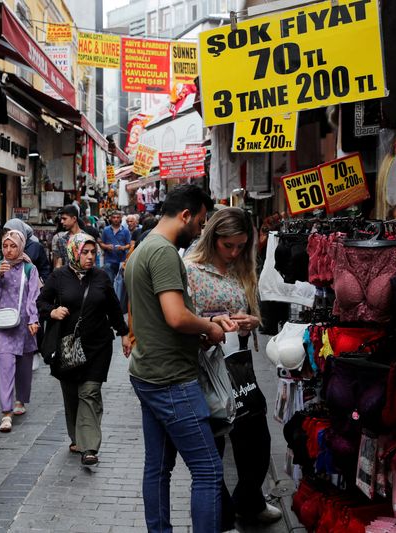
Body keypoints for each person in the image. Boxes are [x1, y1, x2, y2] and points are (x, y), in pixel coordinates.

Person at [125, 184, 235, 532]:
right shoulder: (163, 253)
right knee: (208, 469)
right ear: (186, 215)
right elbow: (175, 316)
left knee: (157, 468)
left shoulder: (143, 248)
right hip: (171, 380)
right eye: (201, 222)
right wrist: (211, 328)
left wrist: (201, 329)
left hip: (149, 372)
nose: (202, 230)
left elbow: (156, 319)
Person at [185, 208, 282, 527]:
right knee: (213, 445)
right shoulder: (191, 269)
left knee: (256, 439)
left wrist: (252, 321)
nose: (235, 251)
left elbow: (251, 311)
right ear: (213, 239)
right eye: (229, 245)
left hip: (239, 364)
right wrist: (211, 324)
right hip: (206, 368)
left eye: (241, 245)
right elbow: (182, 319)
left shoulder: (242, 267)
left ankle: (250, 501)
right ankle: (221, 516)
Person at [37, 233, 130, 466]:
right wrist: (52, 312)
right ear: (74, 252)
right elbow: (41, 302)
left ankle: (89, 447)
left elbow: (114, 308)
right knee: (71, 396)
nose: (89, 257)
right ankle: (76, 437)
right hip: (67, 347)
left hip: (98, 346)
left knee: (89, 392)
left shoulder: (101, 277)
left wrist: (125, 333)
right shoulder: (59, 277)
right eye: (85, 252)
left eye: (93, 253)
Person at [0, 230, 40, 432]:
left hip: (24, 326)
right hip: (2, 326)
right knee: (6, 366)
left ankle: (21, 400)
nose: (8, 250)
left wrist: (34, 319)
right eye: (5, 246)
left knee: (25, 367)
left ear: (21, 247)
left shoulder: (29, 268)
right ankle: (6, 413)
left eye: (13, 246)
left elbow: (33, 295)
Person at [98, 209, 131, 283]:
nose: (116, 219)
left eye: (117, 217)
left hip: (121, 261)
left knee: (120, 283)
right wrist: (106, 246)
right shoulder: (106, 230)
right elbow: (101, 243)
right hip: (109, 261)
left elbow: (129, 245)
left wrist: (123, 247)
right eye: (114, 217)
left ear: (120, 218)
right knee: (110, 282)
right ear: (110, 218)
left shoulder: (125, 231)